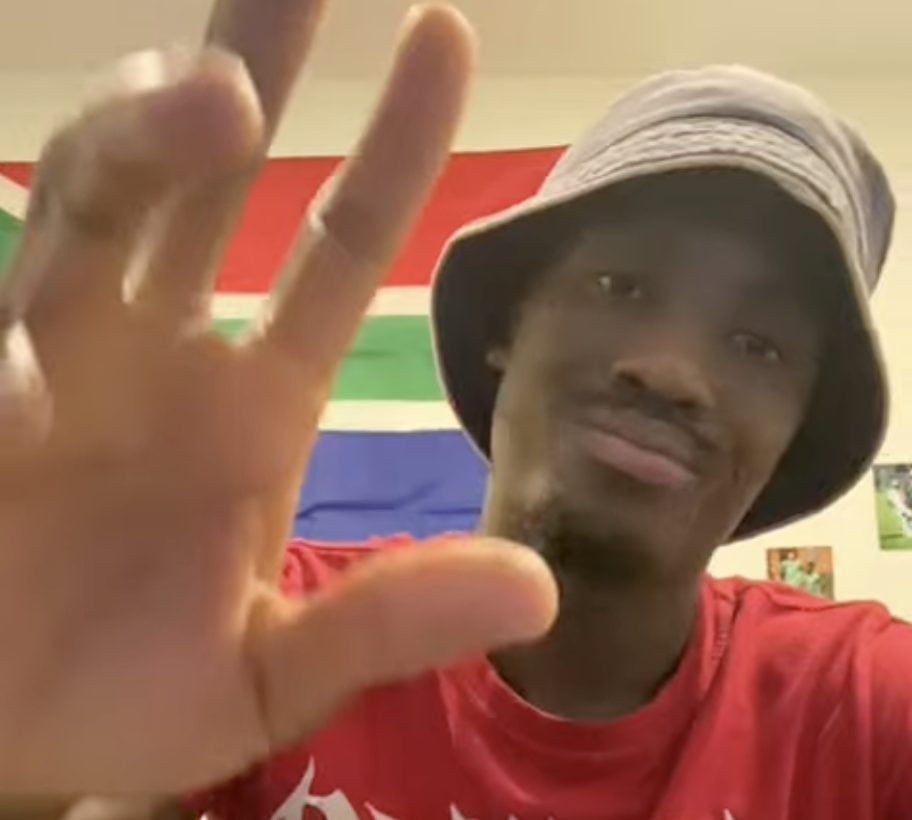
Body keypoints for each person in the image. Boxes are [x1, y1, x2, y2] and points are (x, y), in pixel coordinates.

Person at [0, 2, 910, 820]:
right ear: (509, 328)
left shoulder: (860, 707)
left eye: (759, 345)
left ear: (793, 431)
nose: (672, 371)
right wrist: (35, 774)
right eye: (620, 285)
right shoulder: (266, 632)